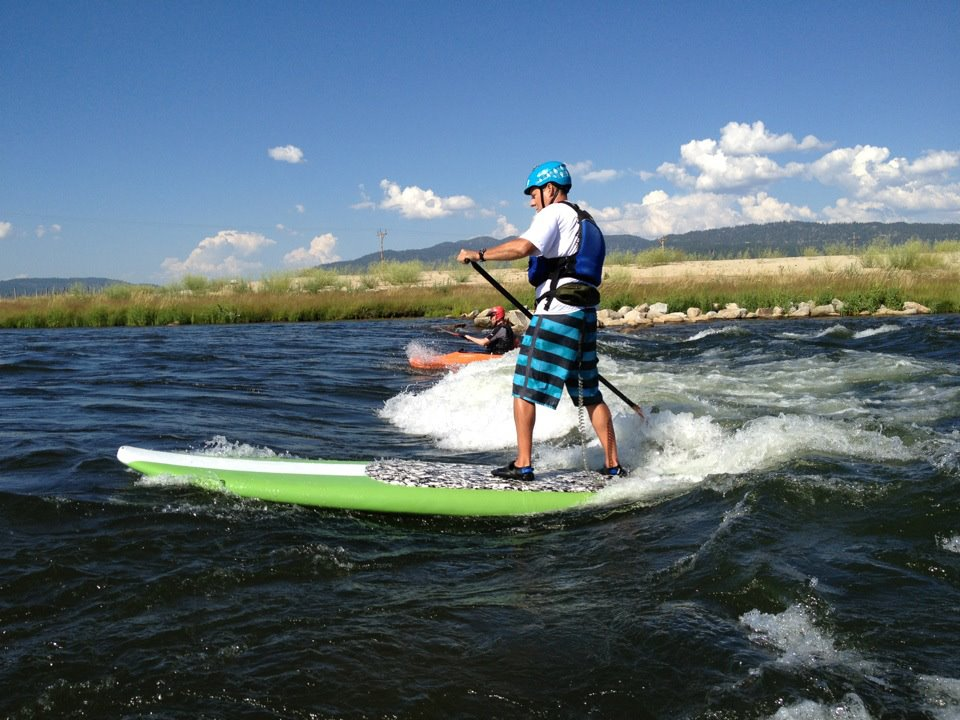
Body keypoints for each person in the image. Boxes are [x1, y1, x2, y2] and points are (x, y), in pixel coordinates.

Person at [457, 161, 625, 481]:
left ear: (550, 189)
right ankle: (613, 465)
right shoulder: (584, 220)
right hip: (584, 314)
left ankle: (523, 464)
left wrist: (478, 254)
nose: (532, 201)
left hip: (557, 313)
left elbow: (523, 247)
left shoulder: (554, 213)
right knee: (589, 392)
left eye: (533, 193)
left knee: (524, 387)